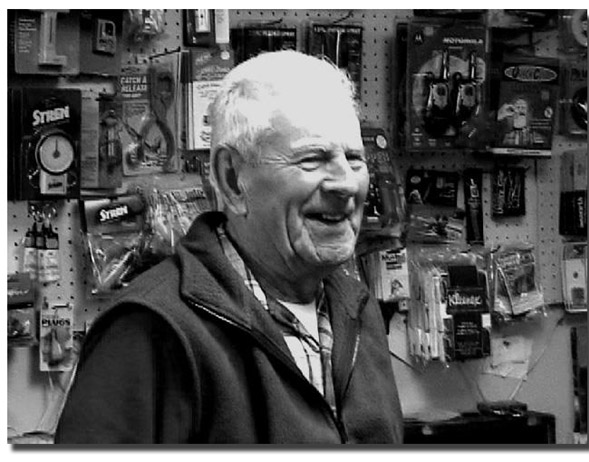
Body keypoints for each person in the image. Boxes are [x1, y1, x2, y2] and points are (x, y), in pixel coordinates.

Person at [55, 50, 403, 444]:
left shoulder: (357, 310)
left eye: (354, 158)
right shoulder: (153, 329)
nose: (346, 183)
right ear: (233, 179)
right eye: (313, 158)